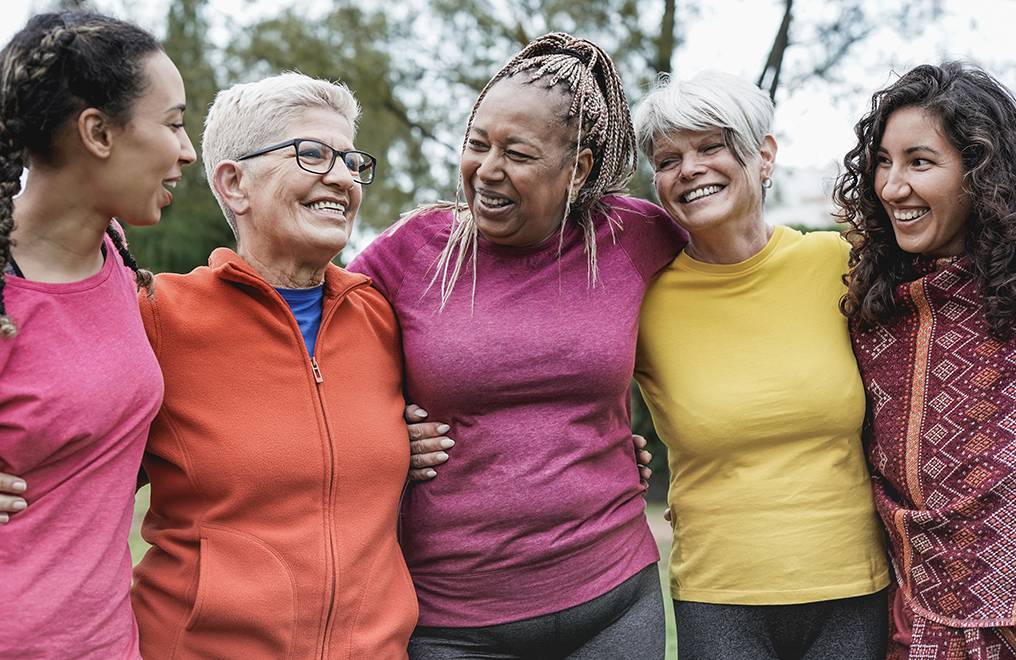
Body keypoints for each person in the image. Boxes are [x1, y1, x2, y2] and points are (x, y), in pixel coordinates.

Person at [348, 33, 686, 659]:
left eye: (518, 153)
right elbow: (313, 351)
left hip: (614, 601)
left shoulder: (633, 235)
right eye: (477, 144)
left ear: (578, 168)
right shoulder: (408, 253)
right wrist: (384, 429)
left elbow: (737, 273)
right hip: (453, 622)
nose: (488, 169)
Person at [128, 72, 417, 658]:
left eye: (350, 160)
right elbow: (66, 454)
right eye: (312, 154)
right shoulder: (156, 316)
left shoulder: (386, 318)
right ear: (234, 184)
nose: (341, 177)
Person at [631, 70, 890, 659]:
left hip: (855, 589)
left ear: (764, 156)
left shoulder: (839, 264)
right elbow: (567, 395)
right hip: (720, 597)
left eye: (710, 146)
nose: (689, 169)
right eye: (668, 159)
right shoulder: (641, 301)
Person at [0, 11, 195, 659]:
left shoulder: (114, 253)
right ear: (98, 133)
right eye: (172, 124)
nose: (188, 150)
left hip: (106, 643)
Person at [834, 62, 1016, 659]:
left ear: (980, 173)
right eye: (884, 162)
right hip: (911, 622)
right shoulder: (870, 309)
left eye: (920, 162)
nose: (893, 186)